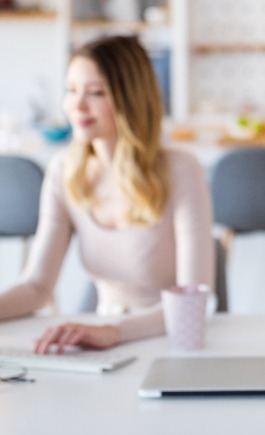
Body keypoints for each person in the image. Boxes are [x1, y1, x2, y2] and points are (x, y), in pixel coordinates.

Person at [0, 34, 214, 353]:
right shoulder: (64, 170)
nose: (76, 106)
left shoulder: (181, 169)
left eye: (96, 92)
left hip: (166, 341)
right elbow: (36, 286)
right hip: (104, 342)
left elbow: (193, 300)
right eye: (71, 90)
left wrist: (113, 331)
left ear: (131, 99)